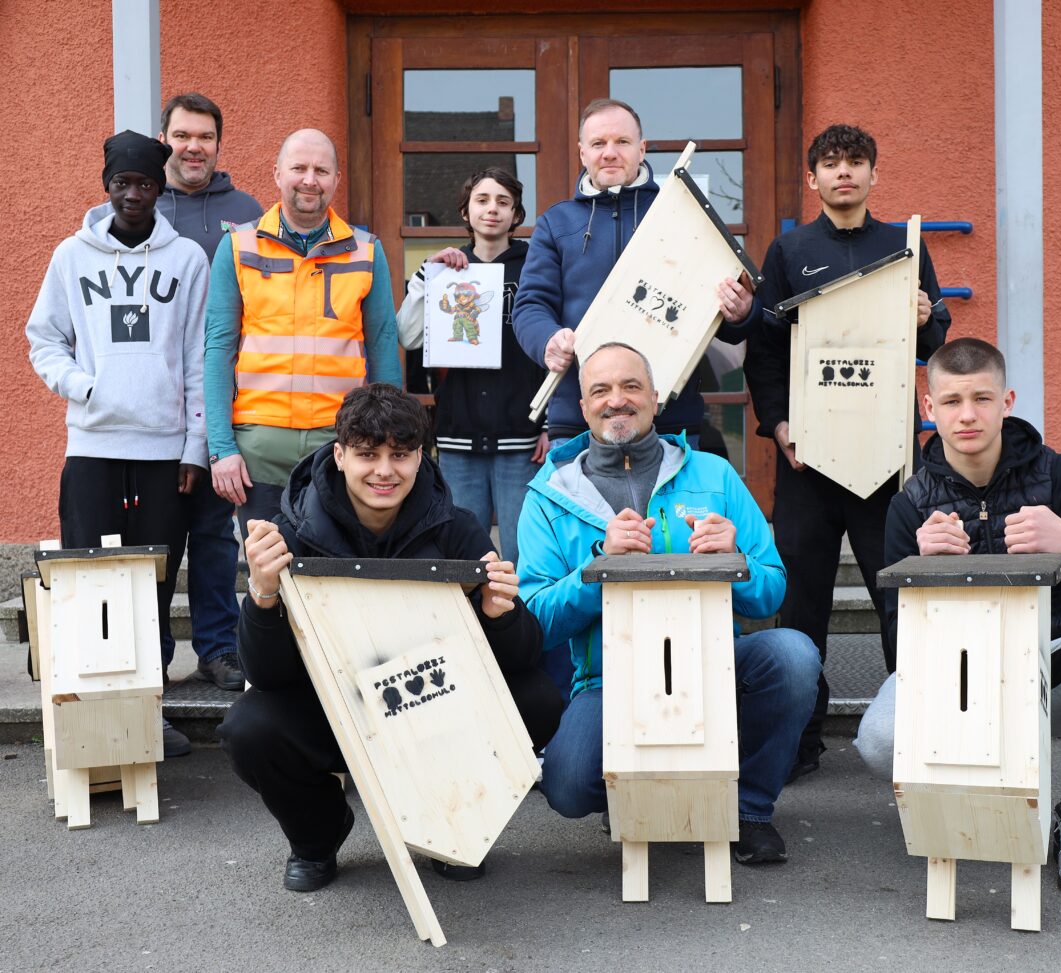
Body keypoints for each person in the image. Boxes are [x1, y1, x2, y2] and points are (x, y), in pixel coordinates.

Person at [219, 383, 562, 891]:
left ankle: (456, 819)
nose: (385, 471)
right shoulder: (288, 532)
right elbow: (266, 674)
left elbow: (524, 657)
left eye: (400, 455)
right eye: (367, 455)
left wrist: (499, 613)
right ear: (338, 455)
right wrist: (263, 597)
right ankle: (318, 835)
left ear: (421, 457)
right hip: (333, 708)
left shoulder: (456, 528)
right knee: (249, 727)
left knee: (536, 699)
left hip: (430, 703)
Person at [853, 337, 1061, 894]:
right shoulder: (910, 504)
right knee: (880, 738)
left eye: (982, 399)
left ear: (1008, 401)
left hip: (1059, 667)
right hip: (965, 679)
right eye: (951, 401)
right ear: (929, 410)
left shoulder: (1059, 477)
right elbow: (899, 651)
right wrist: (922, 576)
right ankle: (981, 800)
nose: (967, 415)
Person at [518, 342, 821, 864]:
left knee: (793, 655)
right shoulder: (549, 494)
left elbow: (772, 589)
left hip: (714, 665)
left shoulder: (715, 475)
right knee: (567, 788)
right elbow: (536, 622)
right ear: (583, 406)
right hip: (608, 680)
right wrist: (598, 566)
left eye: (631, 386)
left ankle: (748, 811)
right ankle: (632, 791)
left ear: (656, 398)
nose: (618, 400)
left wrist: (736, 560)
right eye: (601, 390)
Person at [743, 123, 953, 777]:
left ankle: (915, 732)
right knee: (802, 602)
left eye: (855, 162)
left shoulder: (903, 246)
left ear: (873, 175)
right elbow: (767, 350)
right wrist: (778, 425)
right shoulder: (790, 249)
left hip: (885, 462)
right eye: (830, 163)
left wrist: (927, 318)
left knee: (898, 597)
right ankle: (799, 740)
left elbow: (934, 343)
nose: (843, 173)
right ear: (813, 178)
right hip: (809, 458)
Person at [26, 130, 210, 758]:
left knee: (152, 589)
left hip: (162, 453)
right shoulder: (70, 257)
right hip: (94, 446)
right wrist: (82, 387)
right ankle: (91, 719)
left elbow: (196, 358)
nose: (133, 194)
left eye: (145, 184)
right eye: (121, 183)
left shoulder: (187, 260)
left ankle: (148, 710)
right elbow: (43, 339)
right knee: (86, 586)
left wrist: (194, 448)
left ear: (161, 188)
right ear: (106, 186)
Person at [513, 98, 758, 448]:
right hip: (579, 418)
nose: (609, 153)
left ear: (641, 150)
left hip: (670, 418)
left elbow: (734, 323)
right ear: (583, 153)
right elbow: (530, 306)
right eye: (598, 144)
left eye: (622, 142)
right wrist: (547, 340)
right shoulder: (557, 222)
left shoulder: (682, 215)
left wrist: (742, 313)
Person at [204, 128, 402, 538]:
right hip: (259, 448)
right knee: (267, 573)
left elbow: (384, 347)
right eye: (299, 168)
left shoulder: (366, 250)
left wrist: (391, 441)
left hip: (340, 446)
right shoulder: (239, 246)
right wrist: (221, 448)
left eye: (321, 170)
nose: (310, 179)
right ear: (277, 174)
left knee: (335, 575)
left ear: (336, 180)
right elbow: (218, 350)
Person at [155, 92, 264, 693]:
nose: (193, 146)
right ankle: (156, 654)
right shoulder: (138, 207)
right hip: (157, 405)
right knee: (160, 535)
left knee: (217, 534)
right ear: (164, 139)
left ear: (219, 145)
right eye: (182, 135)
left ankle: (219, 649)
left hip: (226, 398)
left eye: (205, 137)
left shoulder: (246, 212)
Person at [397, 167, 548, 565]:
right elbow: (408, 336)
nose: (492, 210)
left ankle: (522, 626)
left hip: (523, 437)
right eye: (482, 200)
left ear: (516, 213)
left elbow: (558, 346)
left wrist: (551, 423)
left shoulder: (536, 265)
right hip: (458, 436)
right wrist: (425, 279)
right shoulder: (447, 267)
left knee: (522, 553)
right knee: (462, 556)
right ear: (466, 211)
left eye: (503, 202)